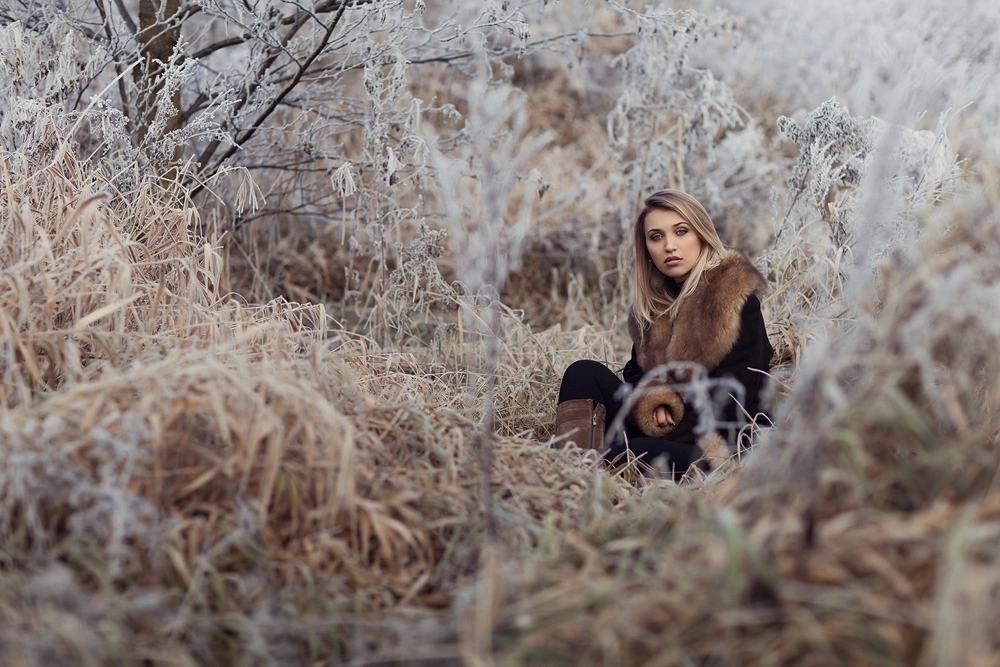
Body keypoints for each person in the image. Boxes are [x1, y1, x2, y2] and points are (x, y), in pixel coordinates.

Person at [554, 189, 773, 478]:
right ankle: (571, 479)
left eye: (681, 231)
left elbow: (732, 398)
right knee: (583, 373)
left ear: (702, 234)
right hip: (657, 431)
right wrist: (655, 399)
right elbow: (635, 373)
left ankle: (584, 470)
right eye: (656, 237)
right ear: (646, 248)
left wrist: (670, 425)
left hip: (719, 445)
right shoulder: (654, 307)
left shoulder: (734, 299)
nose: (670, 245)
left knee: (628, 452)